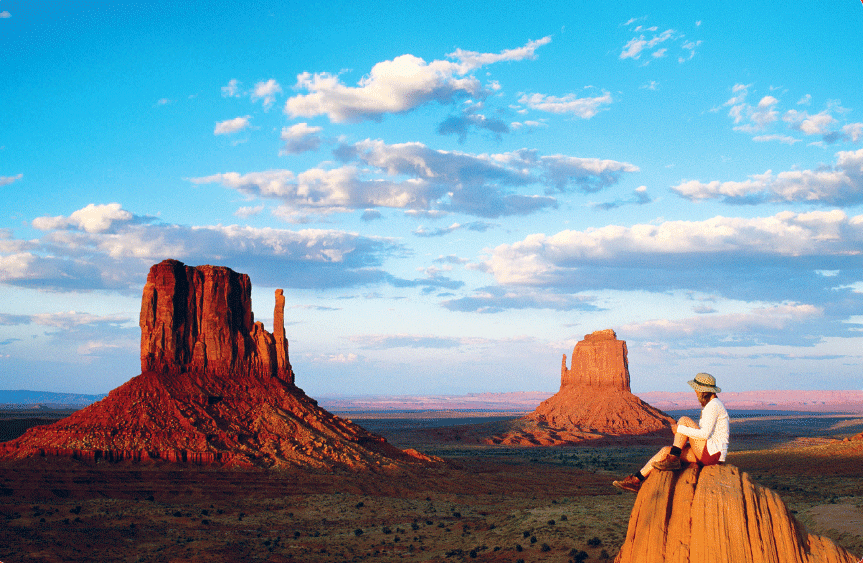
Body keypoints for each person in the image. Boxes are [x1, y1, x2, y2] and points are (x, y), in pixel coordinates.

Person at [613, 372, 729, 493]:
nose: (695, 393)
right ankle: (636, 480)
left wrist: (680, 430)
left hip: (712, 454)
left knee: (684, 420)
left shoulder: (713, 406)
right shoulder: (712, 405)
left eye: (697, 390)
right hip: (709, 453)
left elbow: (704, 434)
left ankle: (673, 459)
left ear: (703, 391)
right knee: (665, 451)